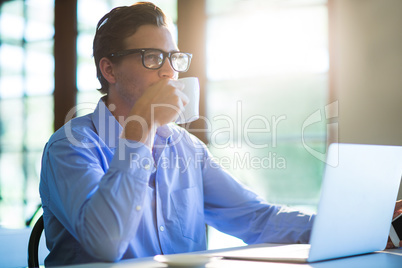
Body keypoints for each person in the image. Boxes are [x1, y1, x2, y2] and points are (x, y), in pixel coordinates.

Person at [39, 2, 400, 266]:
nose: (169, 73)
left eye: (174, 58)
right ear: (109, 70)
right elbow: (106, 245)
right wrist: (140, 129)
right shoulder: (70, 147)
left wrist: (350, 229)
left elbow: (256, 219)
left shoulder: (186, 148)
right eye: (152, 58)